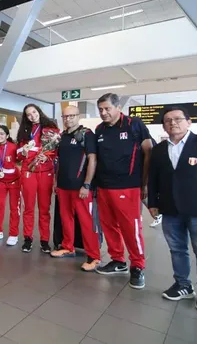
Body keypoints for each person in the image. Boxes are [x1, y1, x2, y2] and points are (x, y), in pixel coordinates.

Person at [148, 106, 197, 312]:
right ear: (163, 125)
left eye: (178, 119)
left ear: (189, 122)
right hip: (170, 209)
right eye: (168, 120)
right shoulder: (159, 149)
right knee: (177, 250)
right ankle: (183, 285)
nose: (173, 123)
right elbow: (153, 179)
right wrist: (153, 203)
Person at [94, 93, 152, 290]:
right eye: (100, 109)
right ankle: (118, 260)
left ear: (118, 107)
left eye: (107, 108)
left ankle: (138, 265)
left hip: (128, 187)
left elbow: (148, 152)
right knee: (109, 226)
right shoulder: (99, 129)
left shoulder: (134, 125)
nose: (103, 113)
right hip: (104, 186)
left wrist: (144, 184)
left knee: (131, 228)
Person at [51, 106, 101, 272]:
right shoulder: (63, 136)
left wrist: (87, 184)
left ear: (77, 116)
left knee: (86, 221)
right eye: (65, 116)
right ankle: (67, 246)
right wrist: (56, 182)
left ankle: (94, 256)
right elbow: (59, 162)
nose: (68, 119)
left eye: (71, 116)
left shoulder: (87, 135)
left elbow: (92, 160)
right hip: (63, 186)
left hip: (81, 187)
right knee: (65, 218)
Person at [16, 104, 60, 253]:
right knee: (28, 207)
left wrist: (47, 155)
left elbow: (55, 151)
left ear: (39, 112)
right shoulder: (24, 131)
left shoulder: (51, 127)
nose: (32, 116)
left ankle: (44, 240)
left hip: (46, 172)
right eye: (28, 114)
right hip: (28, 172)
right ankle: (27, 238)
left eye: (34, 112)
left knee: (44, 208)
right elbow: (18, 155)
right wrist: (24, 150)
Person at [0, 125, 20, 245]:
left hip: (14, 181)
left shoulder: (13, 147)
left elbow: (20, 159)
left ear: (7, 136)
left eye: (2, 134)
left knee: (14, 208)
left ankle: (13, 234)